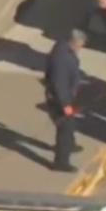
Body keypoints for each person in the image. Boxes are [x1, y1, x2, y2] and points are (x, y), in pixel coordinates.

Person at [44, 29, 86, 172]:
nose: (80, 49)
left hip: (65, 95)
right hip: (60, 99)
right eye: (80, 45)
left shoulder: (63, 48)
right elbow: (59, 84)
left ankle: (70, 145)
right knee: (65, 128)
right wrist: (65, 105)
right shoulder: (61, 59)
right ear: (73, 42)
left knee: (69, 123)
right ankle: (61, 162)